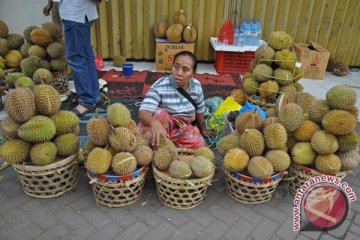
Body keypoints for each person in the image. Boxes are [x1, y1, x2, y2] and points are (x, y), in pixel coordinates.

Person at [138, 51, 214, 149]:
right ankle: (165, 147)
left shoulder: (196, 86)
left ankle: (172, 147)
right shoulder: (160, 85)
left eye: (185, 70)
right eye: (176, 67)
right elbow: (143, 112)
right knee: (159, 113)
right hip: (163, 126)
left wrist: (203, 128)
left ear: (193, 73)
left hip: (184, 128)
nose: (178, 73)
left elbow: (199, 110)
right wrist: (154, 123)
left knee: (203, 151)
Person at [58, 0, 102, 116]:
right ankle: (93, 96)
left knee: (76, 58)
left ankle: (87, 100)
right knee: (85, 56)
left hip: (76, 14)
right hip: (78, 13)